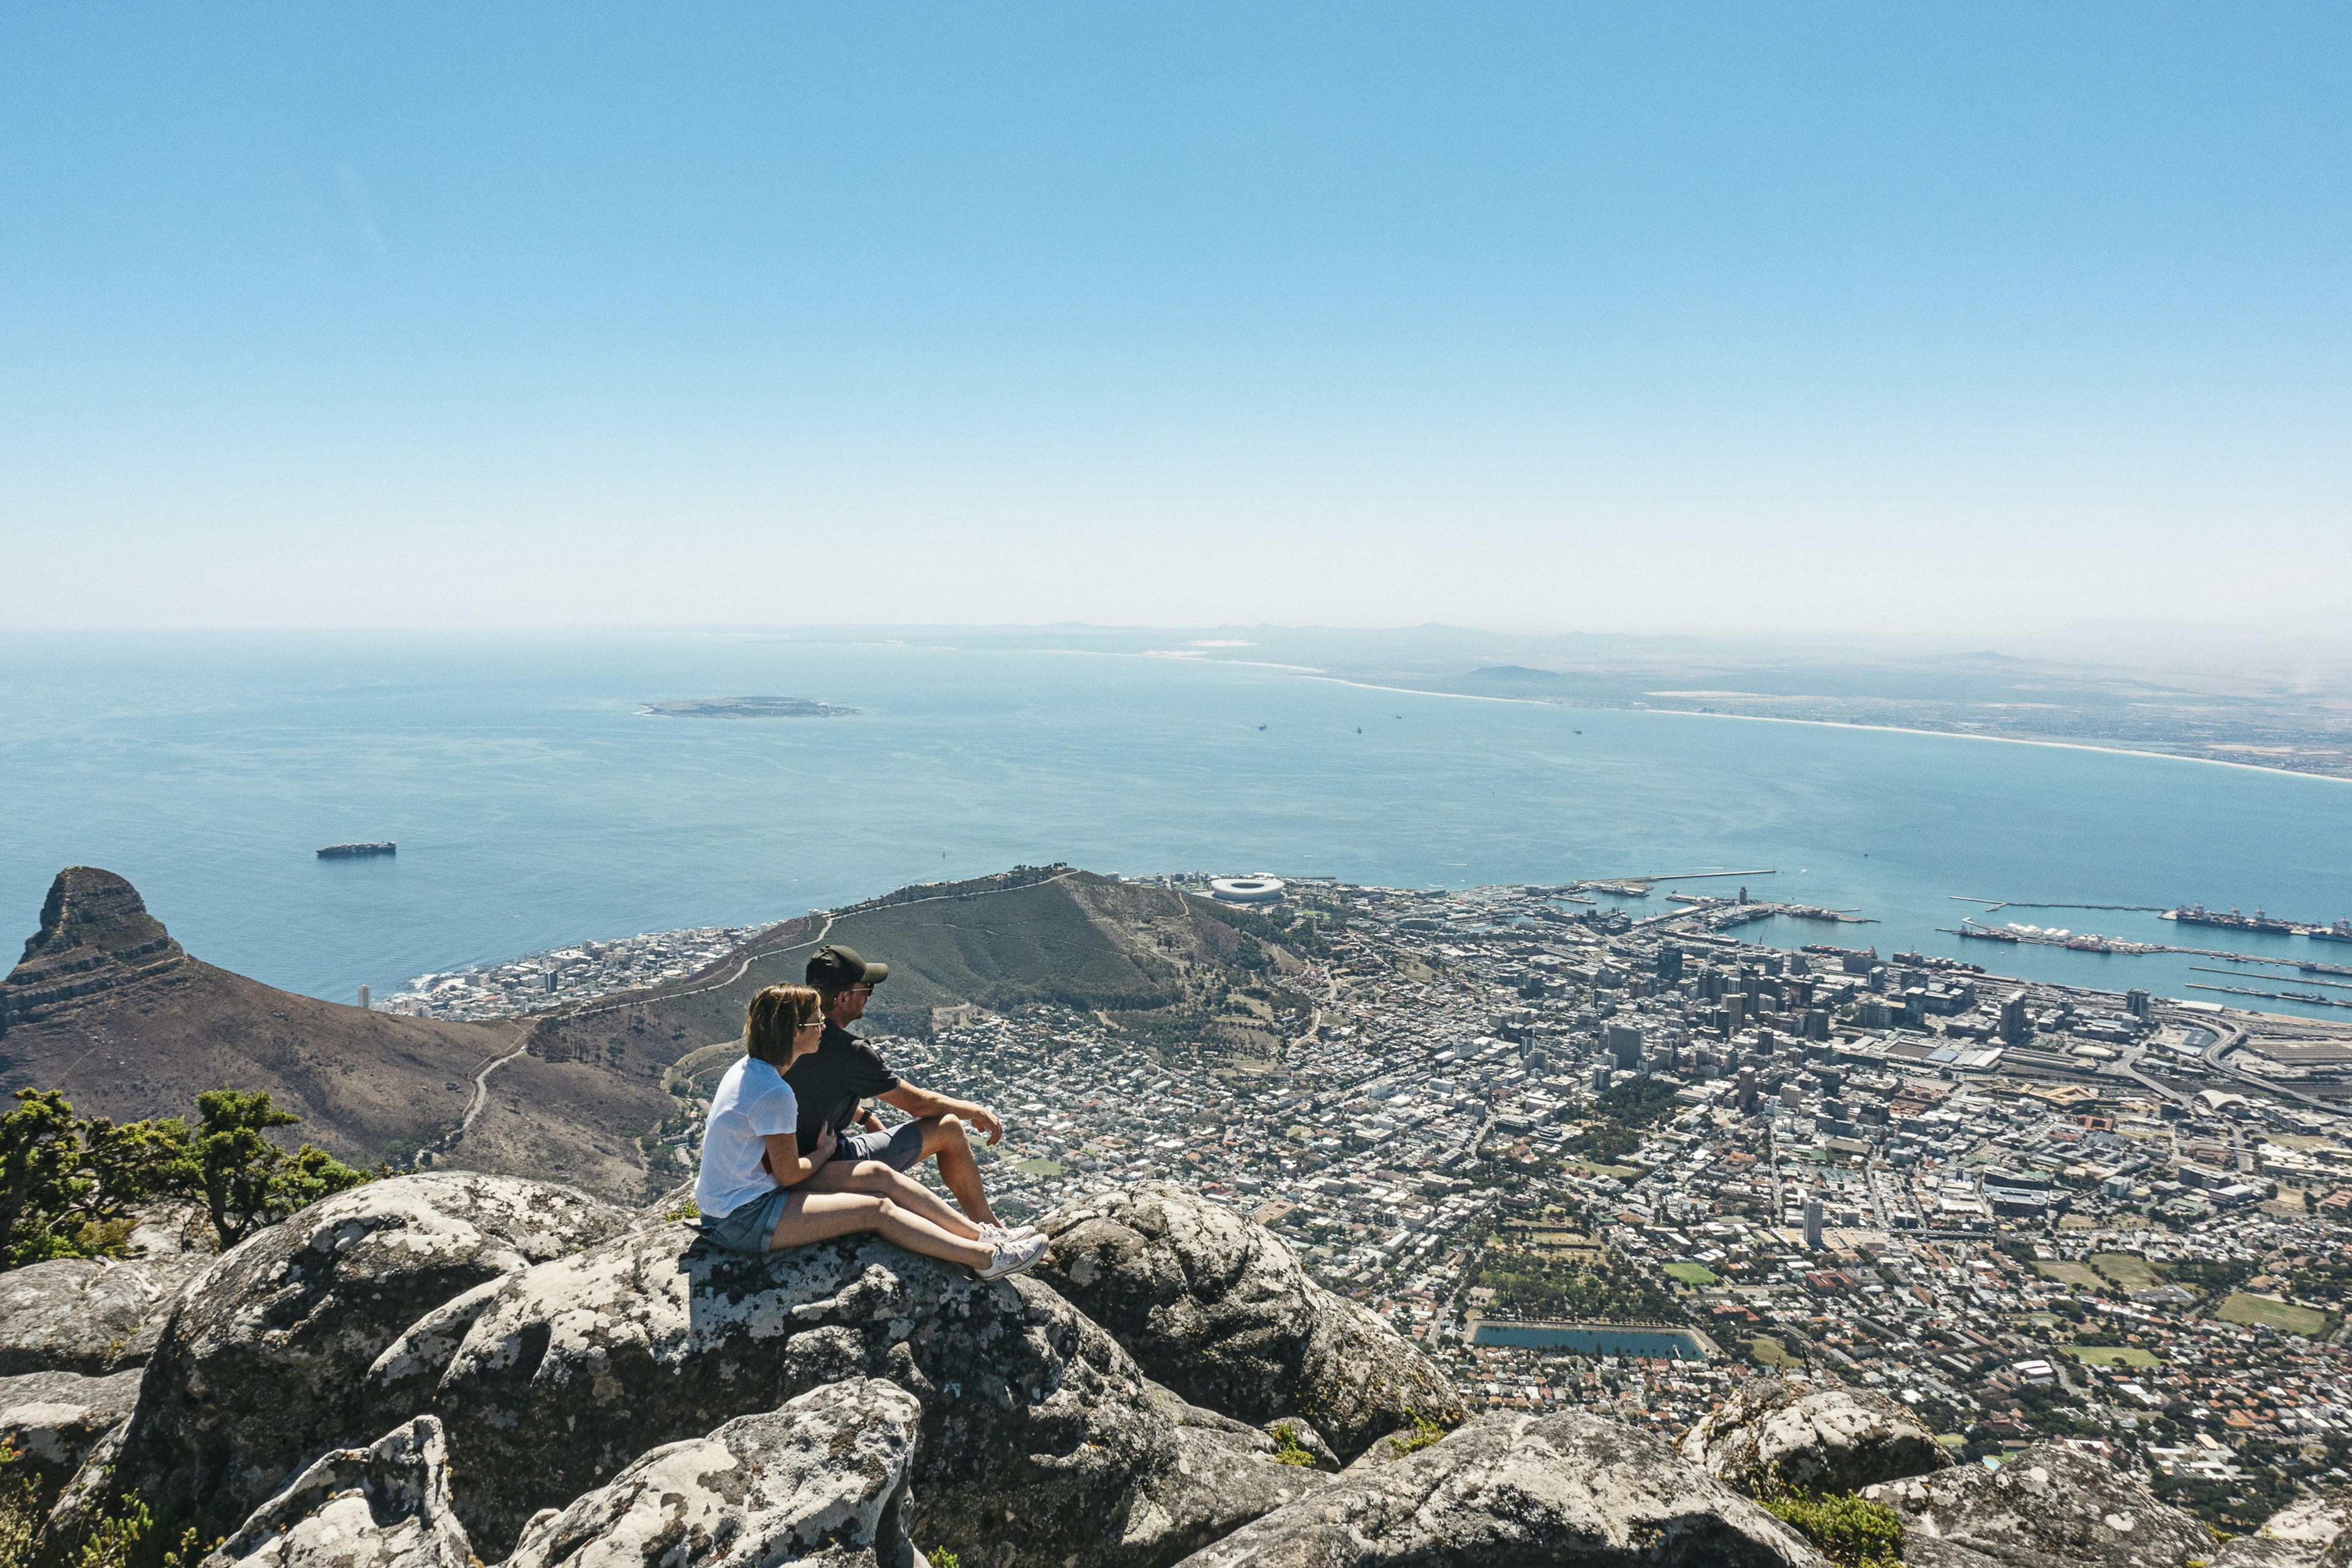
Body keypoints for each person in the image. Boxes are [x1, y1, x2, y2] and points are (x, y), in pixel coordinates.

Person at [693, 982, 1048, 1277]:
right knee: (875, 1210)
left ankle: (983, 1236)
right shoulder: (773, 1091)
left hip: (745, 1194)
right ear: (794, 1031)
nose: (823, 1029)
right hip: (742, 1217)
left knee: (878, 1173)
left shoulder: (750, 1068)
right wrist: (823, 1154)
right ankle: (985, 1260)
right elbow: (788, 1176)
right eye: (817, 1023)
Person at [787, 944, 1035, 1243]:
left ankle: (990, 1232)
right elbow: (917, 1104)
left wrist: (864, 1115)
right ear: (843, 998)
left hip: (789, 1162)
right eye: (866, 988)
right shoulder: (851, 1052)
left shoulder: (789, 1033)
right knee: (949, 1129)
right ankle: (992, 1232)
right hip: (825, 1164)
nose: (870, 995)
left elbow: (811, 1093)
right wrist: (974, 1111)